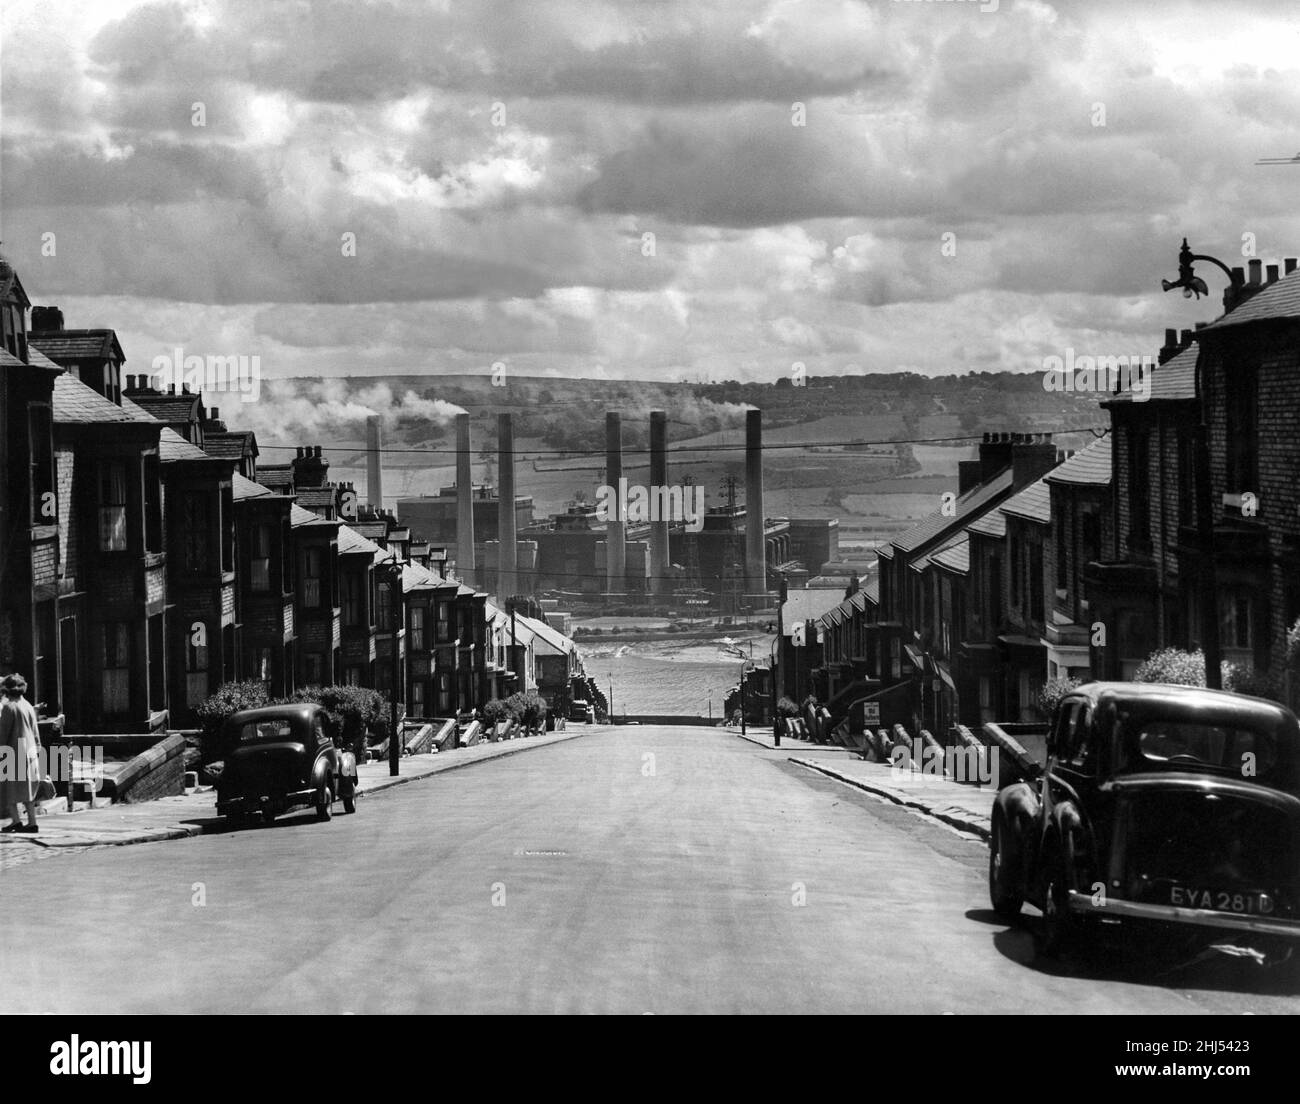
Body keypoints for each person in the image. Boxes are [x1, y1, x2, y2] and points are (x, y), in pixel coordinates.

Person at [0, 673, 41, 834]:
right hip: (30, 751)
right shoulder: (29, 706)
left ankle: (16, 821)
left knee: (7, 787)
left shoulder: (9, 708)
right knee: (27, 789)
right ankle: (32, 822)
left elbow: (3, 733)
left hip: (13, 751)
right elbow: (36, 731)